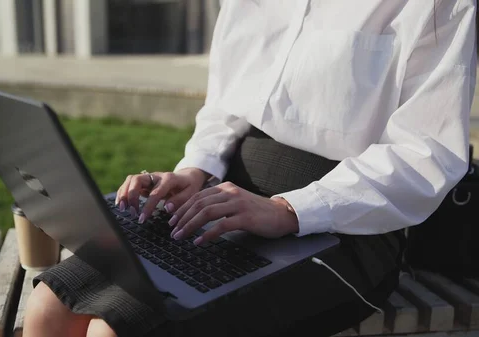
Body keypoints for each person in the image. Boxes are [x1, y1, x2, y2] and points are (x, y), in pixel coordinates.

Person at [25, 1, 477, 336]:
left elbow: (426, 152)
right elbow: (227, 101)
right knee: (49, 306)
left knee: (116, 330)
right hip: (227, 201)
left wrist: (288, 209)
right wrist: (195, 171)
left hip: (349, 226)